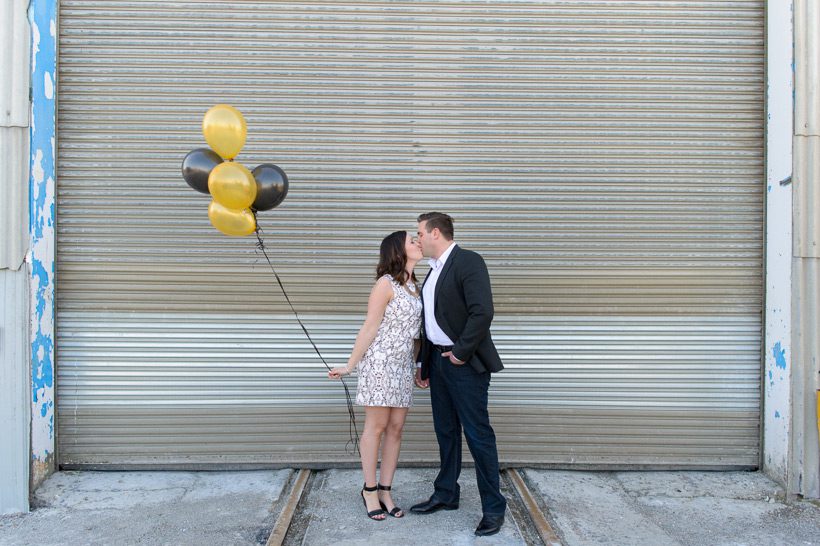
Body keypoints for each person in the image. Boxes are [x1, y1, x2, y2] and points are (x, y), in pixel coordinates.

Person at [410, 212, 507, 537]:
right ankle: (446, 494)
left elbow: (483, 311)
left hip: (463, 364)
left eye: (420, 232)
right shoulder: (433, 271)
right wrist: (424, 363)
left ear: (435, 233)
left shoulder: (468, 261)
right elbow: (431, 323)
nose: (417, 238)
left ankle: (493, 508)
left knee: (478, 436)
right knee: (446, 432)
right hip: (438, 364)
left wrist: (461, 353)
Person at [328, 231, 423, 521]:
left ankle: (385, 490)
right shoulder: (385, 284)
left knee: (396, 428)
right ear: (398, 250)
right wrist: (349, 365)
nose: (418, 242)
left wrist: (419, 365)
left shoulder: (416, 286)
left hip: (403, 366)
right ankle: (369, 490)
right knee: (377, 427)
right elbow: (369, 327)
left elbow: (417, 335)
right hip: (379, 364)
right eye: (412, 240)